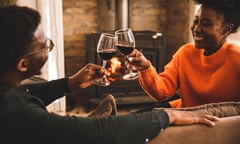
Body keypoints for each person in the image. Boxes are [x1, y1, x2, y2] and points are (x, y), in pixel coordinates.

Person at [0, 5, 219, 144]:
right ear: (23, 64)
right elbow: (96, 133)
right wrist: (168, 115)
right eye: (46, 45)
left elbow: (24, 92)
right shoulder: (17, 113)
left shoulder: (9, 93)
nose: (49, 47)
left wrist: (69, 83)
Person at [128, 0, 240, 108]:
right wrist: (145, 67)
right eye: (196, 21)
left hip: (218, 124)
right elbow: (161, 92)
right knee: (133, 122)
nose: (197, 28)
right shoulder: (185, 53)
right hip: (183, 115)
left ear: (226, 29)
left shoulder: (236, 59)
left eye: (206, 24)